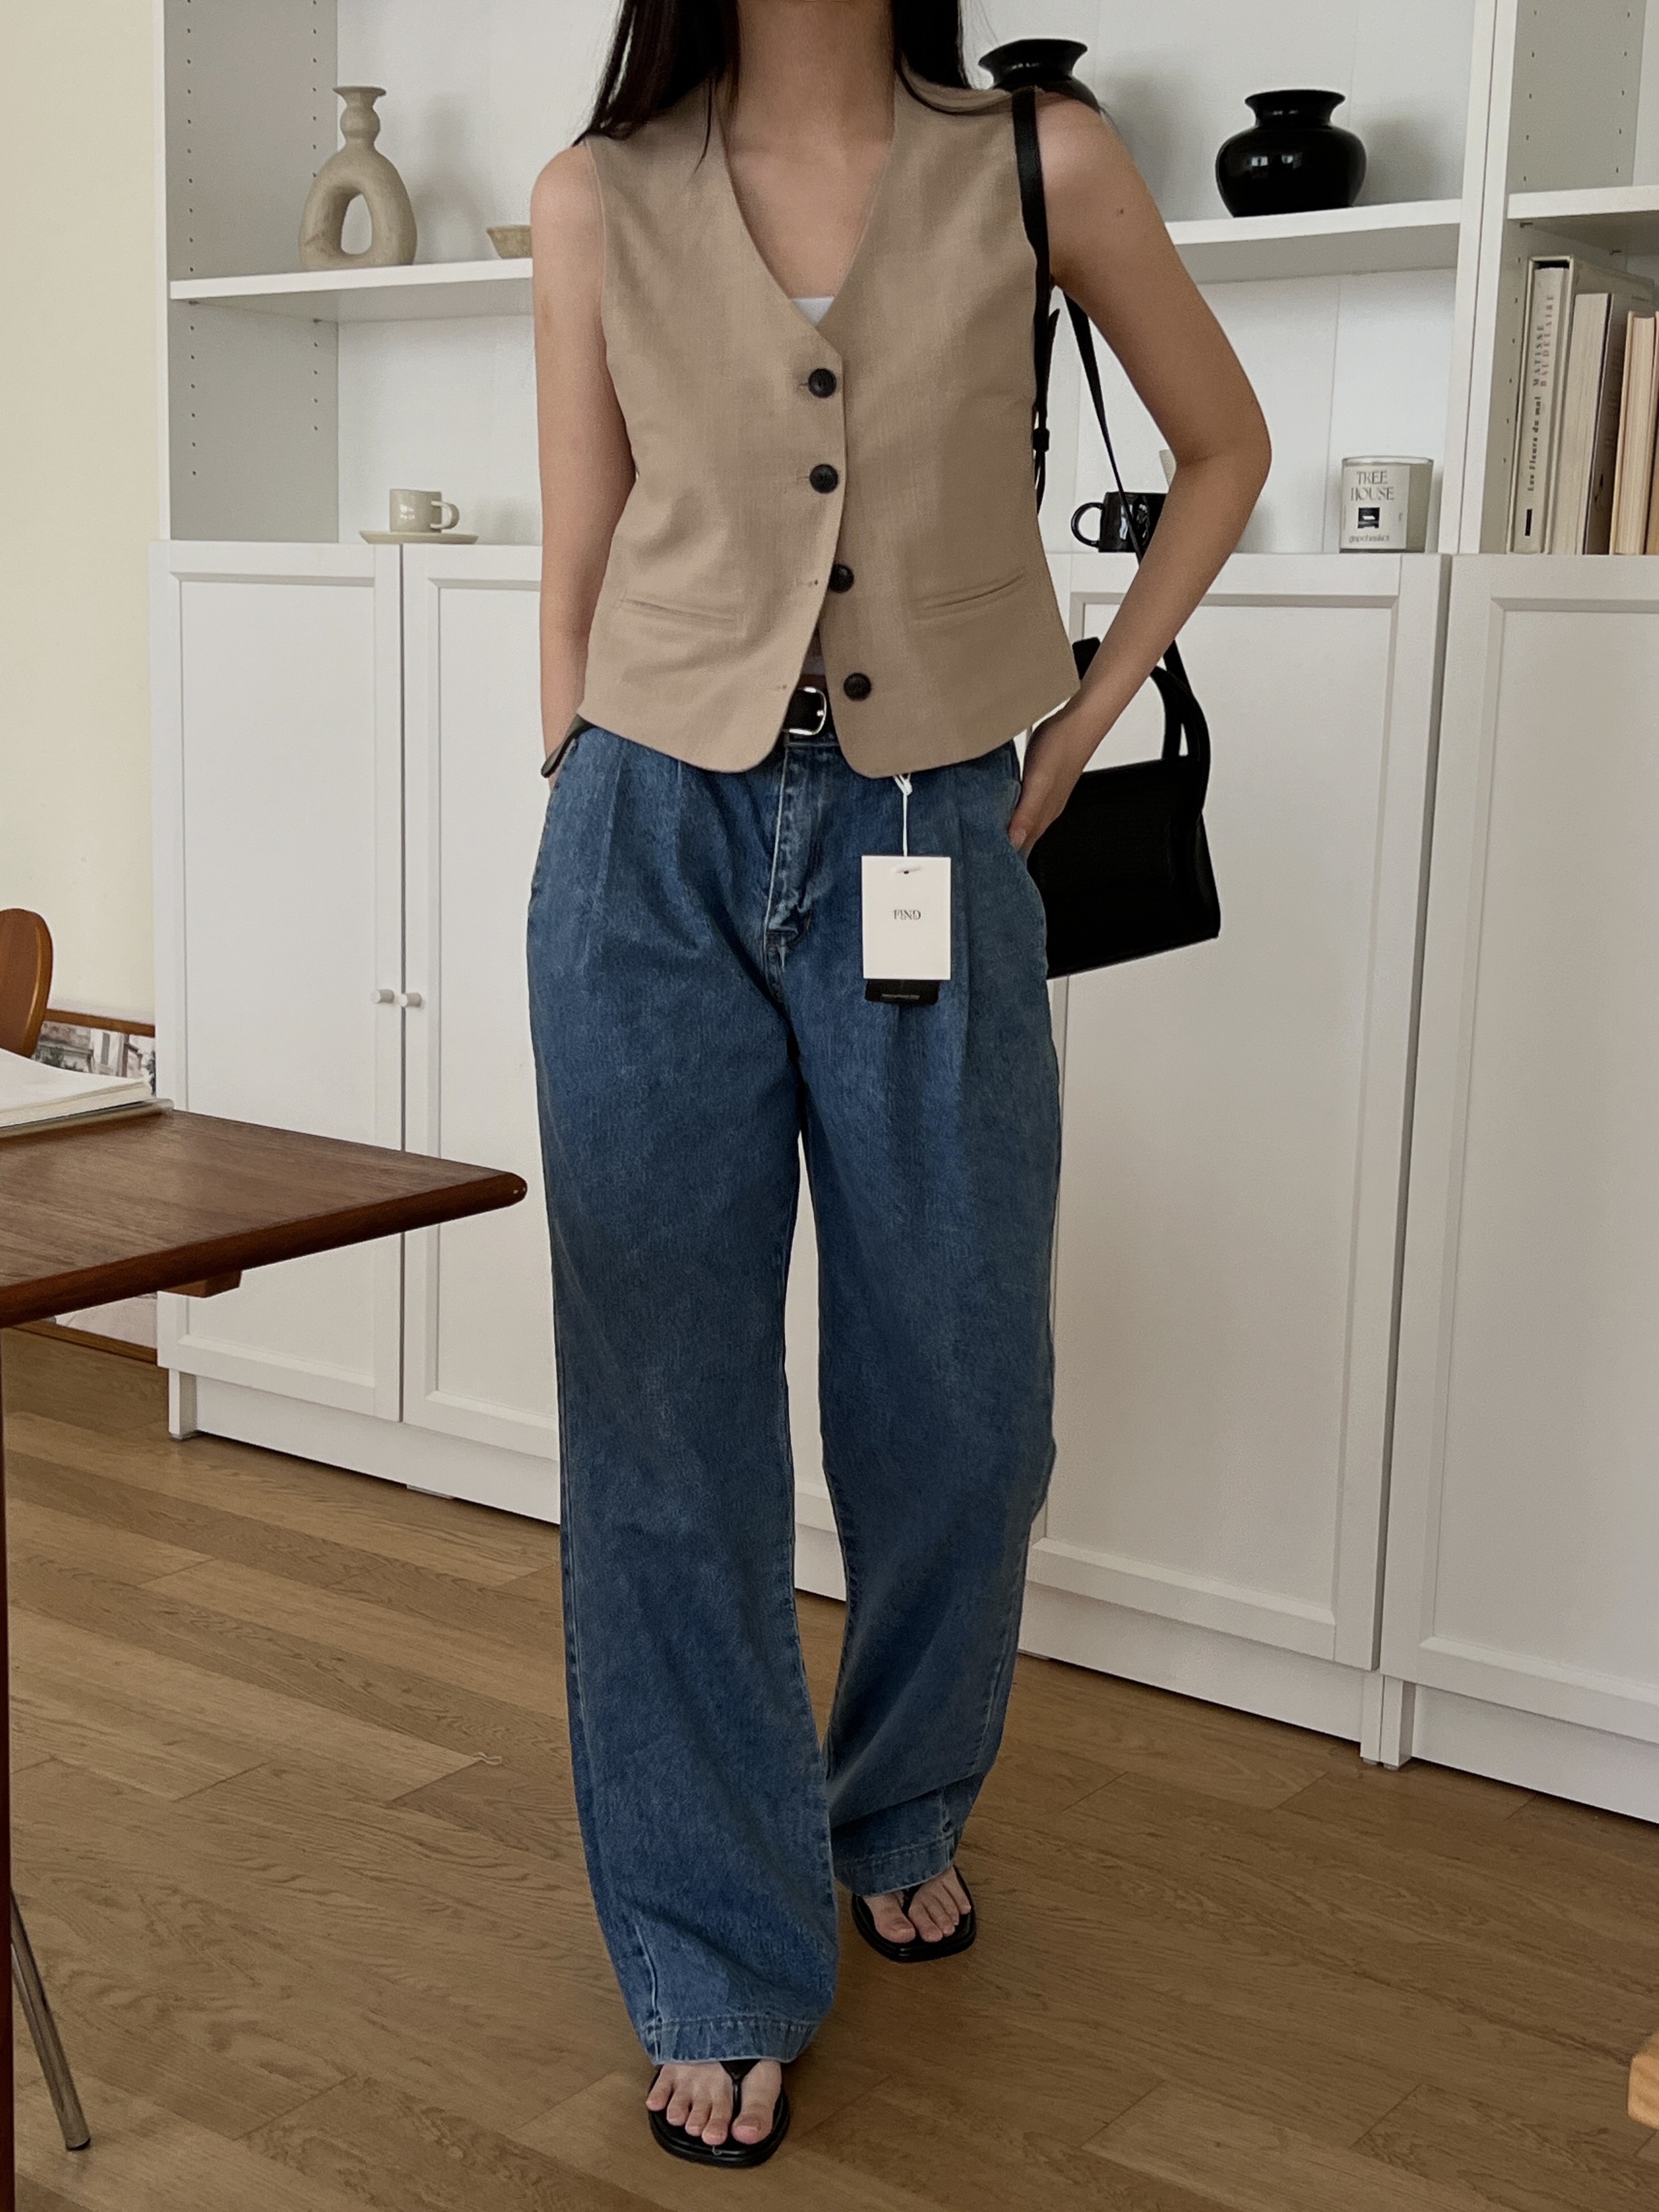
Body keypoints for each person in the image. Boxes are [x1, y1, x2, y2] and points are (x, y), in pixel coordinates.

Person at [526, 0, 1268, 2169]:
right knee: (666, 1432)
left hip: (939, 825)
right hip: (649, 842)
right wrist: (574, 766)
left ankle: (898, 1793)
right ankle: (715, 1949)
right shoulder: (595, 197)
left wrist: (1076, 726)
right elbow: (580, 553)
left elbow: (1222, 445)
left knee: (961, 1401)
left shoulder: (1043, 160)